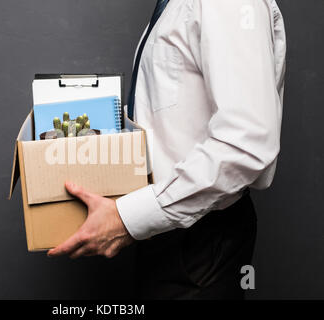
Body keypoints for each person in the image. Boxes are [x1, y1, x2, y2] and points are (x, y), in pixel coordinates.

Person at [48, 0, 286, 300]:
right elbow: (169, 115)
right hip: (165, 227)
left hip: (199, 241)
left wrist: (127, 219)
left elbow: (246, 143)